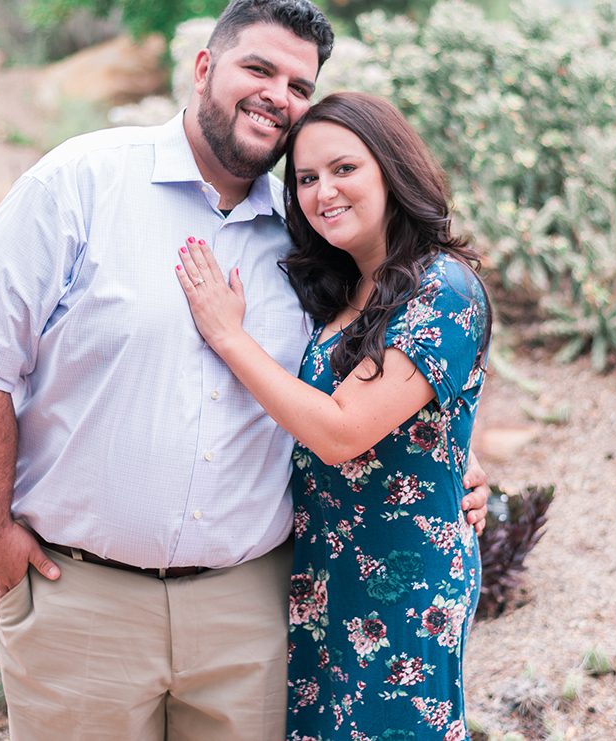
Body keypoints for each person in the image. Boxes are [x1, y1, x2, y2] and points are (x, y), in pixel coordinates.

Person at [0, 0, 489, 741]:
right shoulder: (80, 183)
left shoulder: (303, 241)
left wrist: (456, 464)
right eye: (258, 68)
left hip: (250, 612)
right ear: (203, 67)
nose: (277, 96)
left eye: (299, 85)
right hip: (85, 600)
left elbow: (374, 387)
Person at [175, 91, 491, 740]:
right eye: (307, 178)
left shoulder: (443, 285)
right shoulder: (347, 289)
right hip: (324, 581)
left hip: (402, 590)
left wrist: (229, 336)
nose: (324, 192)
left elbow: (342, 431)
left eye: (345, 169)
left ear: (391, 169)